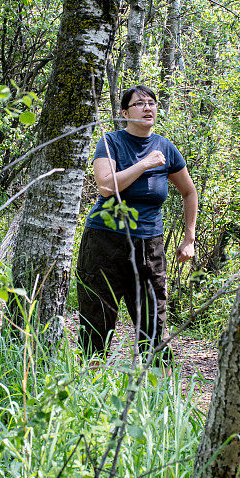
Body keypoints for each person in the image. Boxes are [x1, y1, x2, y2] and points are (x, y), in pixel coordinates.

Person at [76, 85, 198, 365]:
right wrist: (145, 164)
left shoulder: (166, 147)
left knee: (153, 322)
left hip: (149, 246)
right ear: (125, 113)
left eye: (152, 103)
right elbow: (106, 186)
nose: (148, 108)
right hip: (105, 242)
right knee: (98, 319)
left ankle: (158, 396)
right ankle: (89, 391)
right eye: (140, 103)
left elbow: (189, 192)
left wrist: (189, 238)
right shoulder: (110, 142)